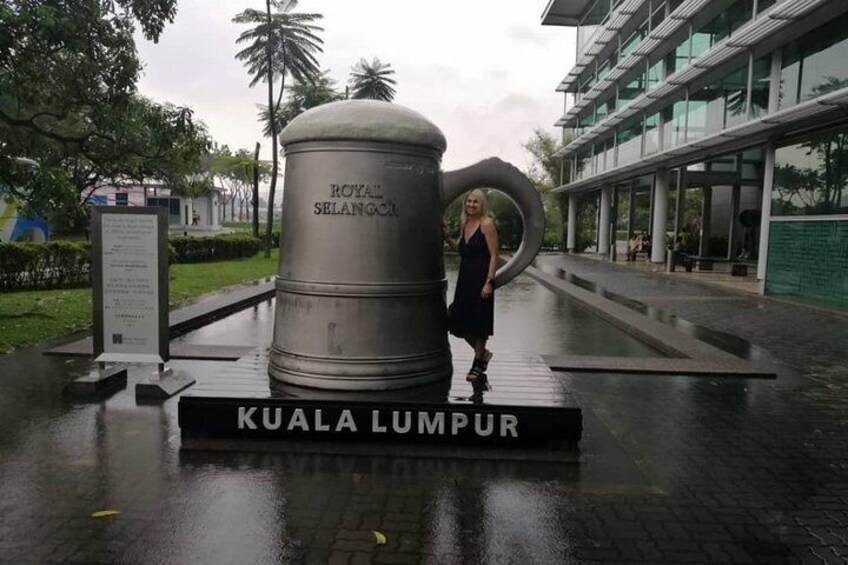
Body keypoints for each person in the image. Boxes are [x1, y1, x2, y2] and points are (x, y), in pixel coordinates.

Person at [447, 189, 499, 383]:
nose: (471, 205)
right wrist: (446, 237)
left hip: (480, 279)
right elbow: (461, 250)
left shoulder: (487, 224)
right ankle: (484, 354)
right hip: (465, 278)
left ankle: (477, 363)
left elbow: (494, 255)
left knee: (479, 324)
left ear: (482, 204)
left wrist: (489, 282)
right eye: (469, 201)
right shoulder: (465, 222)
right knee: (456, 321)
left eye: (475, 202)